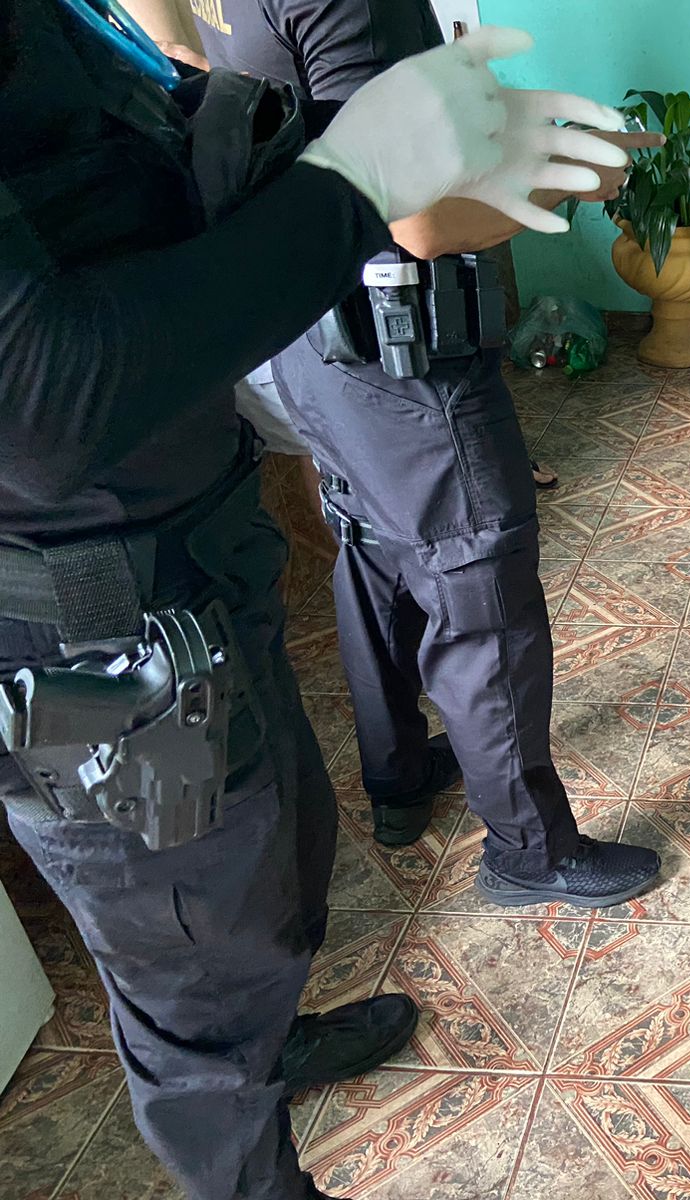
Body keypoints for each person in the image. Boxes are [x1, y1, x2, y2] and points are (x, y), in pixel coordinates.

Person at [1, 2, 628, 1194]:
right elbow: (41, 412)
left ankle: (267, 1034)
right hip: (87, 643)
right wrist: (357, 181)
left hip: (190, 570)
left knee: (267, 872)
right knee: (186, 963)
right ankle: (243, 1125)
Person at [181, 0, 667, 909]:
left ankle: (399, 775)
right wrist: (577, 176)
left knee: (374, 547)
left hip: (310, 340)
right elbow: (416, 220)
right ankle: (530, 851)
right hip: (395, 354)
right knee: (479, 584)